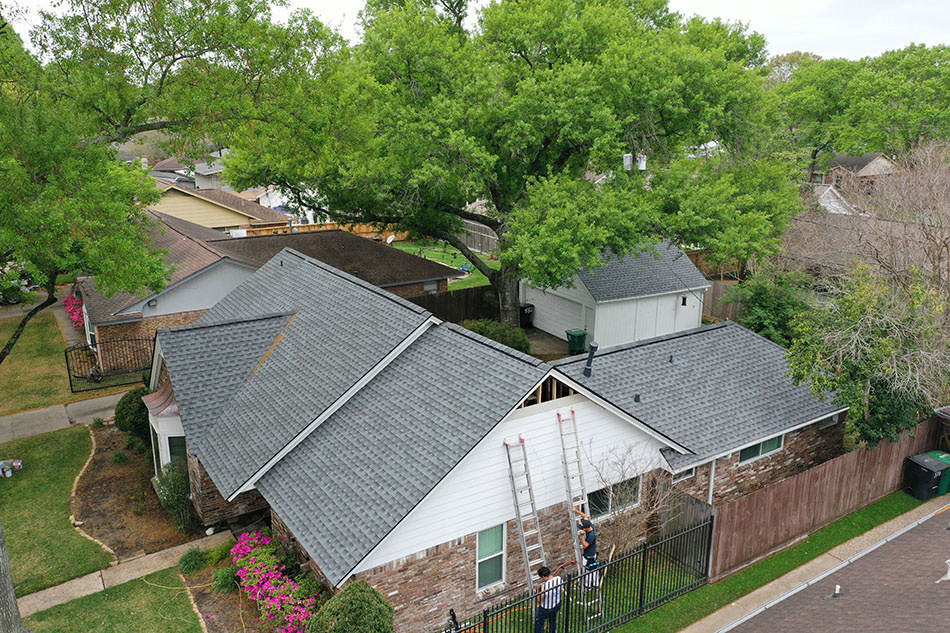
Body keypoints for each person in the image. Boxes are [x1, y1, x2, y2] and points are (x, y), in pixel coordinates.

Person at [572, 507, 599, 587]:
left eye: (583, 528)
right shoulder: (590, 525)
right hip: (591, 554)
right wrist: (576, 511)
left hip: (590, 556)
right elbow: (585, 516)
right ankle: (594, 584)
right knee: (592, 570)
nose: (582, 529)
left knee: (588, 571)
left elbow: (585, 545)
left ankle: (589, 586)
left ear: (586, 528)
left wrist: (582, 536)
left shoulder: (591, 535)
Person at [534, 566, 563, 633]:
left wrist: (537, 592)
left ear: (543, 576)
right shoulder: (559, 578)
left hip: (546, 608)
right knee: (552, 620)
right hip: (557, 604)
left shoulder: (545, 586)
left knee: (539, 622)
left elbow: (539, 600)